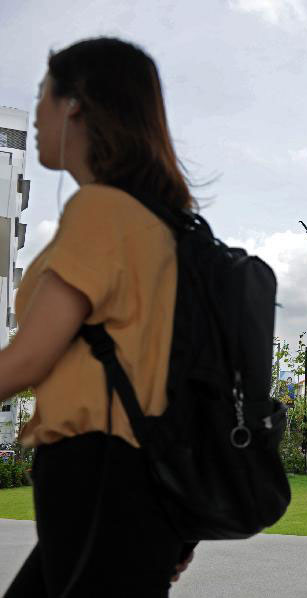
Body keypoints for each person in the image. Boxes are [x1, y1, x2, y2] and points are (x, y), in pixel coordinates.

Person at [4, 37, 195, 596]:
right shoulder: (161, 226)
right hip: (140, 483)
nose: (36, 113)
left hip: (94, 477)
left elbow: (28, 359)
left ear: (74, 103)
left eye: (41, 94)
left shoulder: (101, 210)